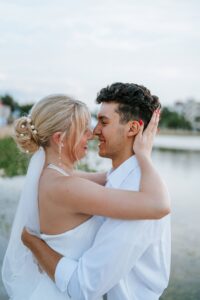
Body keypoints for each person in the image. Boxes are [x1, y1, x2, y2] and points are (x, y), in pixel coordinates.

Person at [2, 85, 170, 300]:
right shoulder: (67, 186)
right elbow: (158, 205)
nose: (92, 133)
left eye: (103, 121)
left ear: (133, 128)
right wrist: (144, 156)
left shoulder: (54, 177)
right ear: (60, 138)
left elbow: (109, 177)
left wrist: (141, 158)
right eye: (84, 128)